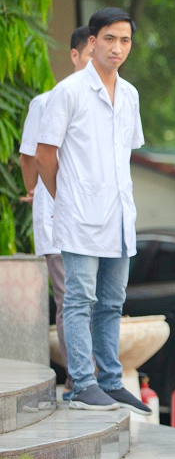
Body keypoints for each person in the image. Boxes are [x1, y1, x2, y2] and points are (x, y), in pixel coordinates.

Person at [35, 7, 150, 415]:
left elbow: (124, 157)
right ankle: (81, 384)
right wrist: (64, 196)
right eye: (109, 39)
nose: (117, 48)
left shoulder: (131, 94)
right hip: (80, 216)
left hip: (119, 216)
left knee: (111, 303)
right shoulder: (69, 91)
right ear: (92, 42)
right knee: (79, 300)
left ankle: (111, 382)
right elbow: (44, 154)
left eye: (125, 41)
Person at [19, 26, 92, 401]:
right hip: (59, 218)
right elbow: (30, 154)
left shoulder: (113, 103)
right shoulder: (48, 100)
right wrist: (36, 190)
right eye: (90, 55)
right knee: (71, 296)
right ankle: (78, 379)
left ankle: (89, 378)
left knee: (92, 298)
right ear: (75, 56)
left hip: (98, 221)